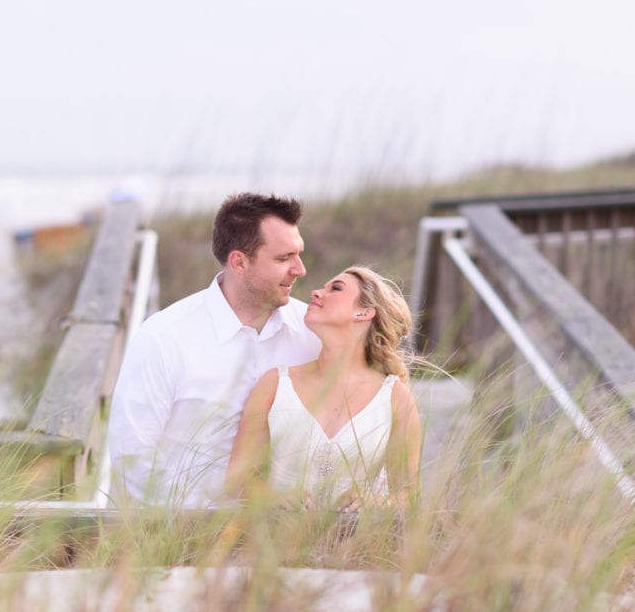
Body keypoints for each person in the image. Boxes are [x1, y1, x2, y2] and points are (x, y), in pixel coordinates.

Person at [107, 193, 322, 507]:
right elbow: (132, 456)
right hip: (183, 533)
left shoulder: (312, 332)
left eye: (298, 254)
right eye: (283, 258)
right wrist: (199, 526)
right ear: (239, 262)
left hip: (291, 535)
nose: (300, 269)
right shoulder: (164, 337)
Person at [226, 266, 422, 510]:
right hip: (276, 540)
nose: (317, 292)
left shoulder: (395, 397)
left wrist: (378, 502)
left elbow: (408, 494)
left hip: (358, 545)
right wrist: (271, 497)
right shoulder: (275, 384)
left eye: (336, 288)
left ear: (364, 312)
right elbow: (236, 479)